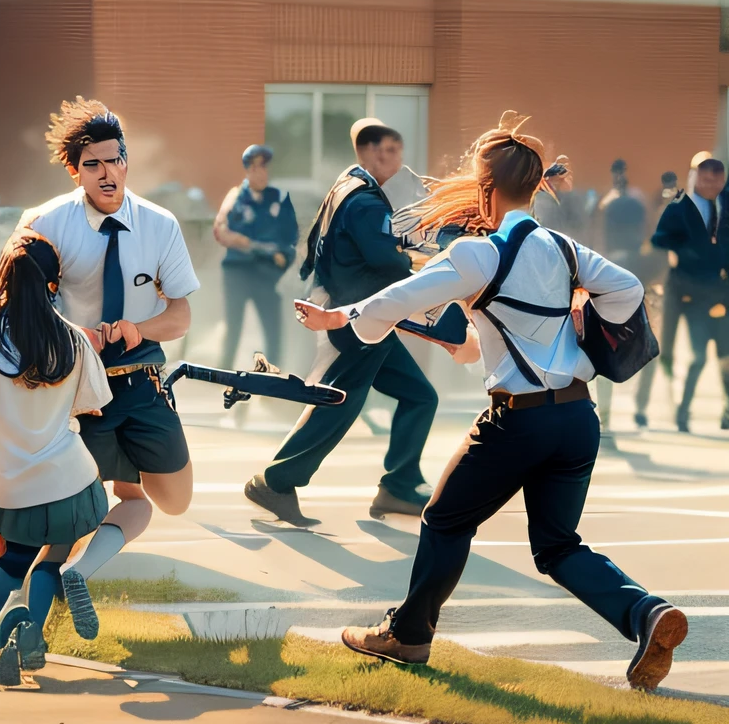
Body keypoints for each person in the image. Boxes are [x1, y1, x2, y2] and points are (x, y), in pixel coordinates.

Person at [300, 112, 687, 692]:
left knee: (444, 519)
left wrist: (341, 318)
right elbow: (628, 288)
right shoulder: (564, 249)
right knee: (557, 547)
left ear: (484, 189)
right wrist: (581, 317)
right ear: (533, 187)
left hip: (519, 418)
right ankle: (646, 613)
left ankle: (408, 634)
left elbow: (397, 299)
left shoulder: (478, 255)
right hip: (579, 417)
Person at [22, 97, 199, 625]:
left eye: (114, 159)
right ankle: (42, 612)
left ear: (127, 161)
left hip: (142, 384)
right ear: (75, 170)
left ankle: (71, 577)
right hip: (79, 393)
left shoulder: (160, 224)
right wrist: (74, 337)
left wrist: (137, 329)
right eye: (93, 164)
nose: (107, 173)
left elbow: (183, 313)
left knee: (173, 499)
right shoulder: (45, 222)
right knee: (81, 506)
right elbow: (19, 303)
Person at [0, 231, 113, 687]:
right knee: (53, 560)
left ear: (4, 281)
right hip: (72, 482)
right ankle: (25, 634)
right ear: (52, 285)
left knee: (8, 565)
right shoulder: (73, 341)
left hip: (13, 487)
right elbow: (94, 405)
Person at [246, 123, 437, 526]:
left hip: (357, 314)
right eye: (388, 151)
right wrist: (430, 262)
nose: (396, 160)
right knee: (340, 403)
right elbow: (388, 260)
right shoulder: (366, 200)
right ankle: (275, 481)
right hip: (361, 319)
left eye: (398, 151)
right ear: (369, 153)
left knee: (420, 396)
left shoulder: (346, 186)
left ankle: (398, 487)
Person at [650, 157, 729, 432]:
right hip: (691, 290)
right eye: (706, 180)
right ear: (695, 178)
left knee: (726, 356)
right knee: (698, 356)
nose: (711, 186)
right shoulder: (680, 207)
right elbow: (659, 239)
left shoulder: (726, 203)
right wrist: (684, 250)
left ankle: (727, 411)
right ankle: (683, 412)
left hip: (722, 291)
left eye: (716, 181)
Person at [212, 144, 298, 372]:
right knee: (234, 327)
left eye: (264, 167)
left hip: (267, 274)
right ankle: (224, 373)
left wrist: (280, 256)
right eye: (254, 167)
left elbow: (290, 238)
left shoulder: (278, 199)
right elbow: (221, 231)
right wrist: (257, 246)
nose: (260, 172)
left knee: (273, 329)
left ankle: (273, 378)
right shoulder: (236, 196)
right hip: (237, 270)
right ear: (247, 170)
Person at [593, 160, 654, 434]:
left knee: (606, 349)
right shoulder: (630, 206)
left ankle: (606, 417)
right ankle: (640, 408)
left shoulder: (606, 205)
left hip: (608, 282)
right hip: (634, 279)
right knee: (645, 344)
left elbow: (599, 238)